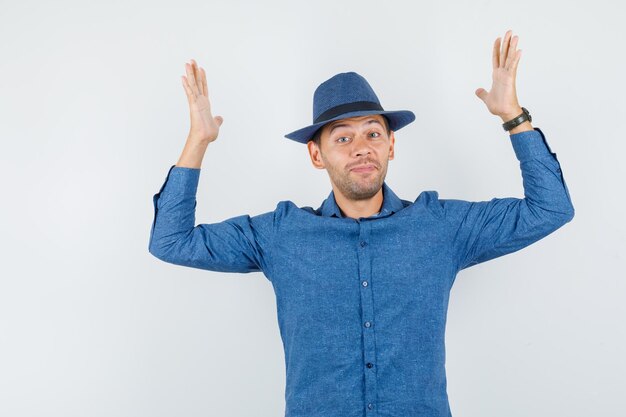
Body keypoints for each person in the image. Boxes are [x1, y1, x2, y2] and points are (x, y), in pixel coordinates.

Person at [148, 30, 574, 417]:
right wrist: (198, 141)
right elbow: (171, 241)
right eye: (342, 137)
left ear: (392, 145)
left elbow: (550, 208)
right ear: (317, 155)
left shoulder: (442, 226)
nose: (361, 148)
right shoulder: (280, 235)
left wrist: (513, 116)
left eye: (373, 133)